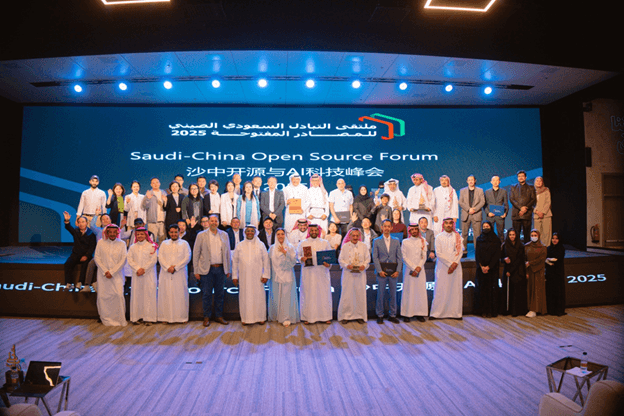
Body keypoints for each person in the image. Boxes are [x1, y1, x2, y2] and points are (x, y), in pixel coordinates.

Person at [193, 215, 231, 327]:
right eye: (212, 221)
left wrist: (228, 268)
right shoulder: (201, 235)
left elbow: (227, 253)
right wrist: (196, 270)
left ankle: (219, 316)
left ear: (218, 222)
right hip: (206, 270)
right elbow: (196, 253)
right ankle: (206, 317)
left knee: (220, 294)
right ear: (208, 222)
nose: (214, 222)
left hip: (220, 269)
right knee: (206, 294)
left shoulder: (224, 235)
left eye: (216, 221)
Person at [232, 225, 270, 325]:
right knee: (245, 297)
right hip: (244, 277)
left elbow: (266, 261)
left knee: (259, 296)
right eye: (248, 231)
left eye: (252, 231)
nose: (250, 233)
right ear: (245, 232)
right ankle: (245, 318)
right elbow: (235, 261)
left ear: (255, 232)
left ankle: (261, 317)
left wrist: (266, 275)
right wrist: (235, 276)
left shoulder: (261, 245)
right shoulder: (240, 245)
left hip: (258, 277)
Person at [297, 224, 333, 324]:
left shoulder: (325, 243)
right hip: (308, 274)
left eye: (315, 230)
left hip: (322, 273)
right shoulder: (303, 243)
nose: (313, 232)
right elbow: (297, 255)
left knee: (323, 294)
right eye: (312, 230)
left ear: (318, 231)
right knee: (308, 294)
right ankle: (308, 317)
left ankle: (325, 317)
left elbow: (330, 258)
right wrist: (301, 258)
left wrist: (328, 264)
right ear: (309, 231)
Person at [94, 224, 127, 326]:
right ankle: (106, 319)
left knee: (118, 295)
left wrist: (112, 272)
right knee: (103, 297)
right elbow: (97, 258)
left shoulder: (122, 244)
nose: (112, 234)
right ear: (107, 233)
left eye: (114, 232)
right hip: (103, 275)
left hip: (117, 275)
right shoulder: (100, 243)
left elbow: (123, 259)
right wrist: (105, 271)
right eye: (110, 232)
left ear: (117, 233)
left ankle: (120, 319)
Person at [430, 218, 463, 319]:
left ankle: (456, 314)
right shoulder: (439, 237)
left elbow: (460, 251)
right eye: (446, 223)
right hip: (442, 267)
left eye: (450, 223)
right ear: (443, 225)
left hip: (456, 267)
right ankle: (436, 313)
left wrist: (455, 263)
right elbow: (438, 253)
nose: (448, 225)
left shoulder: (458, 237)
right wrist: (450, 264)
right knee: (441, 289)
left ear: (453, 225)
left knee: (455, 290)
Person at [158, 224, 192, 323]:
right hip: (166, 273)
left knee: (180, 295)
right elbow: (160, 257)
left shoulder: (184, 243)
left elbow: (187, 257)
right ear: (169, 233)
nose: (173, 234)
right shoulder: (164, 243)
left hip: (180, 273)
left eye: (175, 232)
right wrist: (168, 267)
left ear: (179, 232)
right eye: (171, 232)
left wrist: (176, 267)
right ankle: (165, 318)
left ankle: (182, 317)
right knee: (166, 294)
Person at [372, 219, 403, 324]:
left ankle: (392, 315)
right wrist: (379, 270)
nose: (386, 228)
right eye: (385, 226)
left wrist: (398, 271)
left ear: (391, 228)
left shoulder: (396, 240)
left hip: (394, 273)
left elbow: (399, 257)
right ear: (382, 227)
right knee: (380, 294)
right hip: (381, 272)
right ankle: (380, 315)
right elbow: (375, 257)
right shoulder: (376, 241)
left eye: (388, 226)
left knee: (393, 294)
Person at [267, 228, 300, 326]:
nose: (280, 236)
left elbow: (294, 261)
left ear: (285, 235)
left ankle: (286, 317)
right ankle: (277, 316)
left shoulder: (290, 247)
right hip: (275, 276)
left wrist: (286, 253)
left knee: (287, 297)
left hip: (287, 275)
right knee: (276, 296)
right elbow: (268, 262)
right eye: (278, 234)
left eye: (282, 234)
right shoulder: (272, 248)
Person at [337, 228, 370, 324]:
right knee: (347, 295)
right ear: (350, 236)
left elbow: (367, 259)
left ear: (359, 236)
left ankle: (360, 316)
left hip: (360, 275)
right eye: (353, 236)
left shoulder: (364, 246)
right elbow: (340, 260)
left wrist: (364, 265)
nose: (355, 238)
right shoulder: (345, 246)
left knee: (360, 294)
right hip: (348, 275)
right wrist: (347, 265)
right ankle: (345, 316)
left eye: (357, 236)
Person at [127, 227, 158, 325]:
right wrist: (137, 269)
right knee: (137, 295)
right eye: (138, 234)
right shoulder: (132, 247)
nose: (140, 236)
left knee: (149, 295)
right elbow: (129, 259)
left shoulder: (152, 246)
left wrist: (144, 269)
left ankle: (149, 318)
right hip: (137, 275)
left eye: (142, 234)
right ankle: (137, 317)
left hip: (149, 275)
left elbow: (153, 260)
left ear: (146, 235)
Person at [400, 224, 428, 322]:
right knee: (408, 291)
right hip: (409, 270)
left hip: (420, 270)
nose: (414, 231)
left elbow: (424, 256)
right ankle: (407, 314)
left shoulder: (423, 241)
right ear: (409, 231)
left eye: (416, 229)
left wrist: (418, 267)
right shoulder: (405, 242)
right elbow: (404, 257)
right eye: (412, 230)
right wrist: (413, 267)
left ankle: (420, 313)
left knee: (420, 291)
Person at [63, 211, 97, 290]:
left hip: (86, 255)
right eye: (79, 222)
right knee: (67, 263)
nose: (81, 224)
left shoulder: (91, 233)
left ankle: (80, 282)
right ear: (77, 224)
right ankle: (69, 283)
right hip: (76, 254)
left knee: (85, 265)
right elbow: (68, 227)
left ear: (86, 223)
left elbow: (92, 247)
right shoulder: (76, 231)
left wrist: (86, 256)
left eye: (83, 222)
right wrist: (67, 220)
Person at [474, 221, 502, 318]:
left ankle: (491, 311)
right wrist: (482, 266)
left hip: (492, 269)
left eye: (487, 226)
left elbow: (497, 254)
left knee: (492, 291)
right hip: (481, 269)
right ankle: (482, 311)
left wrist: (489, 266)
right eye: (484, 226)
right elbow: (477, 254)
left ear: (491, 227)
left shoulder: (496, 239)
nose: (486, 228)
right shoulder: (479, 239)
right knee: (482, 290)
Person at [501, 229, 527, 317]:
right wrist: (504, 260)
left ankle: (516, 311)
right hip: (507, 270)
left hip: (517, 270)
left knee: (516, 291)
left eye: (513, 235)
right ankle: (507, 310)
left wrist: (510, 271)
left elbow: (520, 259)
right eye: (510, 235)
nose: (512, 236)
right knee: (507, 291)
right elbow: (501, 258)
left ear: (516, 235)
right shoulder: (504, 245)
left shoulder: (520, 245)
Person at [459, 175, 485, 255]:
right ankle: (464, 251)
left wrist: (474, 209)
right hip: (466, 214)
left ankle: (478, 251)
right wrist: (468, 209)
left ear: (475, 181)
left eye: (472, 180)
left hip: (476, 214)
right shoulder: (462, 190)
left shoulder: (480, 190)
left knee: (477, 234)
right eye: (469, 180)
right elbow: (460, 202)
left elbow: (482, 202)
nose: (470, 181)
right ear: (467, 181)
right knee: (464, 234)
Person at [524, 229, 547, 318]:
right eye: (532, 235)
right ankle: (529, 308)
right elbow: (524, 258)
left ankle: (536, 309)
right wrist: (526, 268)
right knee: (530, 289)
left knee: (537, 290)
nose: (533, 237)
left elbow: (542, 259)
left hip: (538, 270)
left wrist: (531, 263)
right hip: (529, 270)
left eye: (535, 235)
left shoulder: (543, 247)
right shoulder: (527, 246)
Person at [510, 170, 537, 243]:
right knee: (516, 234)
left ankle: (526, 249)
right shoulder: (513, 187)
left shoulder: (531, 187)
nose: (520, 178)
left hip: (527, 214)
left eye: (522, 176)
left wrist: (525, 208)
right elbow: (512, 199)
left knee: (527, 235)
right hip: (516, 214)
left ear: (525, 177)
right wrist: (520, 208)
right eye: (519, 176)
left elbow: (533, 199)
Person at [545, 232, 566, 316]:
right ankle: (551, 309)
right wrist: (548, 261)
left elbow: (557, 259)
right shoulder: (548, 248)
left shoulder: (561, 248)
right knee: (550, 291)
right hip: (550, 273)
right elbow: (546, 259)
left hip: (558, 273)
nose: (554, 240)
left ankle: (559, 310)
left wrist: (549, 260)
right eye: (553, 238)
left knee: (558, 291)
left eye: (556, 238)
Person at [483, 175, 508, 243]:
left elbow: (506, 204)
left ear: (499, 182)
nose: (495, 182)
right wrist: (488, 213)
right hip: (490, 216)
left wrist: (505, 213)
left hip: (500, 216)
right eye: (494, 180)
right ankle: (489, 248)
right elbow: (484, 204)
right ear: (491, 182)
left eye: (497, 180)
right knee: (489, 234)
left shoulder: (504, 191)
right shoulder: (487, 192)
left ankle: (501, 248)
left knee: (501, 234)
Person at [141, 177, 166, 243]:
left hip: (162, 221)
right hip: (152, 221)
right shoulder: (149, 193)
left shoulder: (163, 193)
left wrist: (165, 201)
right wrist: (148, 199)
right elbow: (143, 206)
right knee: (152, 240)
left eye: (157, 182)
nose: (155, 184)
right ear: (151, 185)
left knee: (163, 240)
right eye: (153, 183)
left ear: (159, 183)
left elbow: (167, 206)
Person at [533, 176, 552, 247]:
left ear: (542, 182)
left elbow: (548, 202)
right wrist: (537, 212)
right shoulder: (532, 191)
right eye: (537, 181)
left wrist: (542, 212)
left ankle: (546, 249)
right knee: (537, 233)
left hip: (546, 214)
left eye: (540, 181)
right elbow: (530, 204)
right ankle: (538, 249)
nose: (538, 182)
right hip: (536, 215)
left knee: (546, 233)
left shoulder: (546, 190)